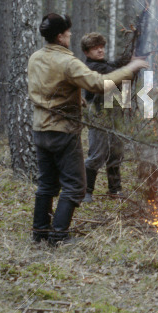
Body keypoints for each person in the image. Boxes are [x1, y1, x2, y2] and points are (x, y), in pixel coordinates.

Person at [27, 14, 148, 244]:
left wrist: (77, 100)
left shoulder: (35, 57)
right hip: (62, 131)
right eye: (68, 33)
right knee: (75, 187)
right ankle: (58, 236)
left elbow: (48, 87)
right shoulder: (68, 62)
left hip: (40, 129)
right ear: (60, 36)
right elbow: (100, 85)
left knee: (46, 185)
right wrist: (131, 67)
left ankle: (40, 233)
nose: (70, 35)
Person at [81, 32, 128, 202]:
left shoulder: (105, 64)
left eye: (101, 47)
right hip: (99, 114)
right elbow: (114, 72)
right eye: (95, 48)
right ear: (87, 52)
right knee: (96, 154)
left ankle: (115, 190)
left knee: (115, 153)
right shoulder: (92, 67)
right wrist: (131, 65)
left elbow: (115, 65)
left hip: (114, 114)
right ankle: (86, 191)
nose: (100, 50)